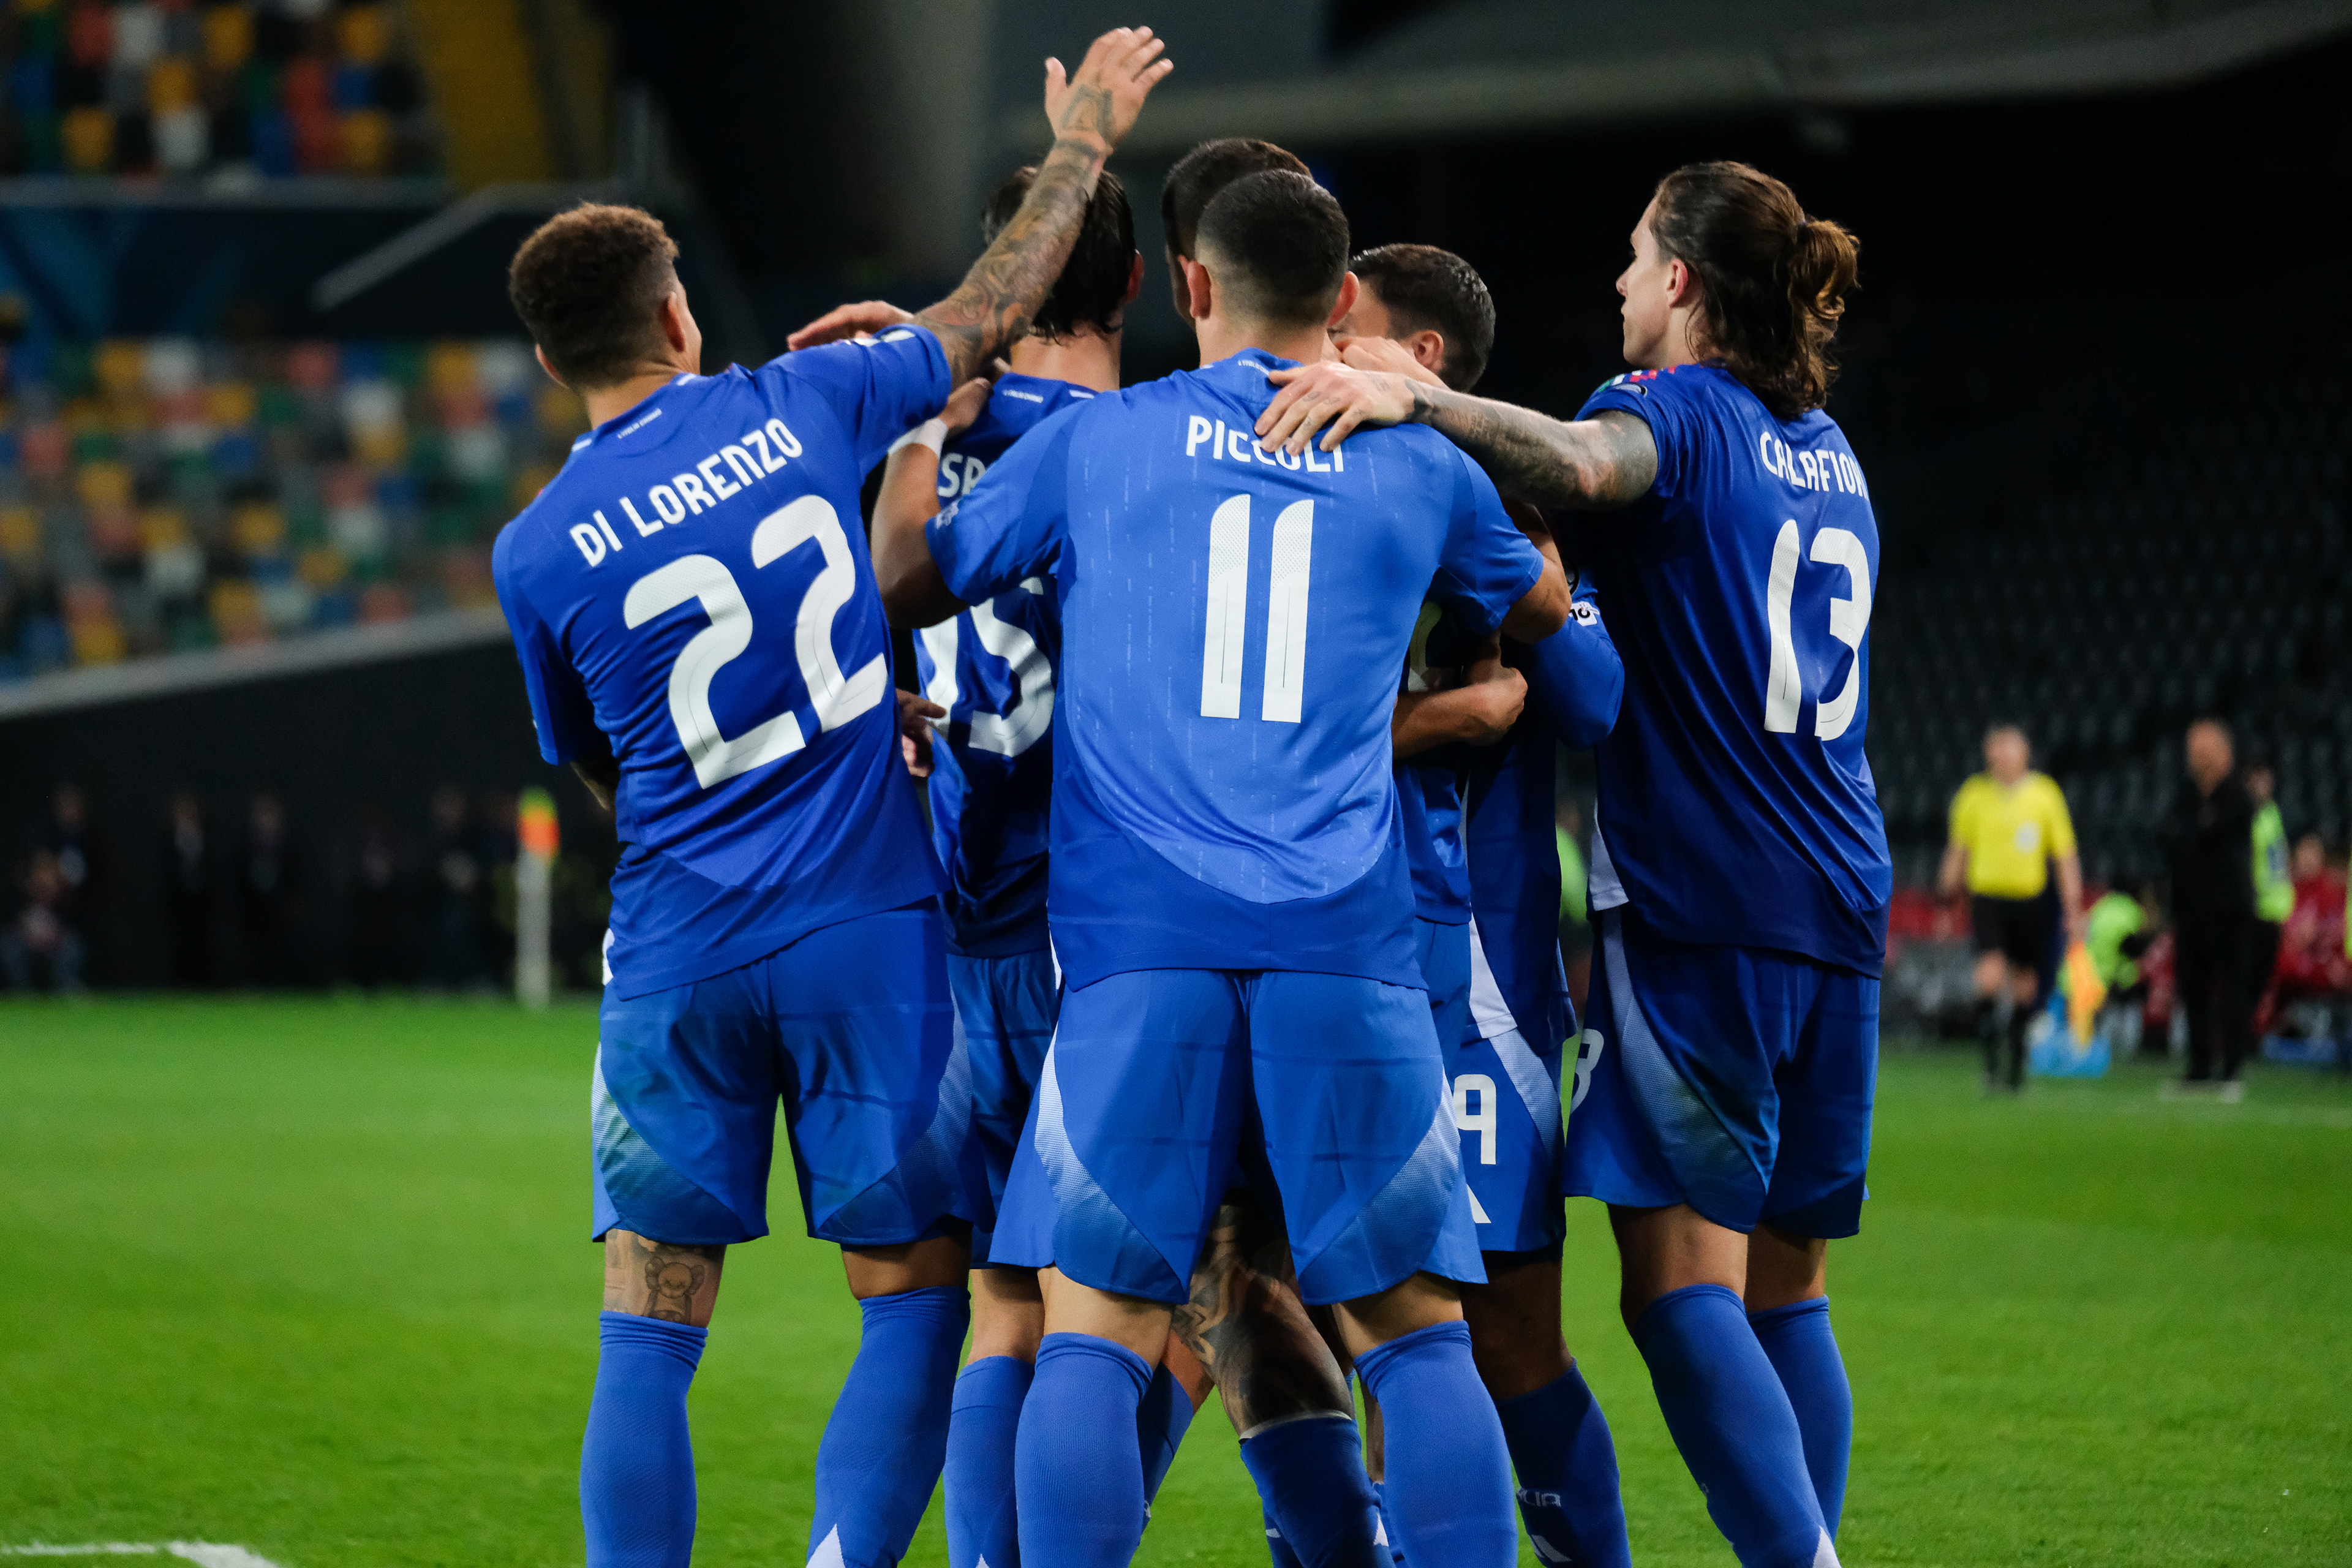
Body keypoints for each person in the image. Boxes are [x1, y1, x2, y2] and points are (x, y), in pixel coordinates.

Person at [488, 29, 1172, 1568]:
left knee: (649, 1327)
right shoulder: (805, 402)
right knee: (920, 1290)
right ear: (675, 311)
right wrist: (1082, 141)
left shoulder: (532, 550)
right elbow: (997, 307)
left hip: (675, 945)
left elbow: (597, 754)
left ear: (552, 361)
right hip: (867, 929)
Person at [874, 168, 1572, 1568]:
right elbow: (1545, 603)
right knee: (1415, 1336)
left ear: (1189, 286)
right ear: (1341, 303)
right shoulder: (1418, 463)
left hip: (1139, 956)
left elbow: (907, 578)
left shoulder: (1103, 443)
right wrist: (1419, 406)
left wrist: (911, 420)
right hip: (1348, 951)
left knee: (1096, 1330)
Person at [1257, 159, 1883, 1568]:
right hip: (1839, 894)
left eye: (1629, 256)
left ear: (1679, 282)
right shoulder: (1828, 447)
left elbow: (1592, 470)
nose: (1611, 283)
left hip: (1706, 895)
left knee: (1674, 1294)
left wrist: (1421, 404)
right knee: (1788, 1287)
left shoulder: (1671, 412)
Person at [1337, 241, 1635, 1568]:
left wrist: (1529, 580)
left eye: (1353, 331)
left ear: (1427, 361)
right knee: (1357, 1326)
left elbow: (1590, 701)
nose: (1325, 348)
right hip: (1327, 957)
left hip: (1484, 993)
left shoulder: (1500, 513)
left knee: (1505, 1332)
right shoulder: (1321, 486)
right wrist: (1436, 712)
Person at [1937, 725, 2084, 1093]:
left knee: (2025, 988)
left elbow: (2064, 856)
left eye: (2005, 751)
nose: (1998, 758)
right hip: (1987, 899)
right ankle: (1990, 1065)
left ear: (2023, 754)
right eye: (1993, 752)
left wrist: (2073, 908)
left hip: (2030, 902)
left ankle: (2016, 1070)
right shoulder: (1974, 795)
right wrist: (1945, 897)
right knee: (1988, 978)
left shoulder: (2044, 795)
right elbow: (1959, 850)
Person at [2158, 718, 2258, 1093]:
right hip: (2189, 909)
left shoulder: (2237, 797)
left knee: (2231, 989)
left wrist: (2190, 835)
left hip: (2229, 910)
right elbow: (2167, 835)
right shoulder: (2185, 793)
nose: (2195, 757)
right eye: (2192, 749)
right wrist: (2192, 834)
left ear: (2223, 753)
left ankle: (2232, 1067)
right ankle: (2199, 1065)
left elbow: (2201, 837)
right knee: (2192, 989)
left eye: (2202, 749)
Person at [2246, 757, 2291, 1005]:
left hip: (2275, 909)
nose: (2265, 783)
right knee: (2249, 980)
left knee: (2262, 980)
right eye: (2259, 778)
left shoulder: (2272, 812)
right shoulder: (2247, 815)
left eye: (2268, 778)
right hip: (2255, 908)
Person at [160, 791, 217, 989]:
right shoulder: (169, 841)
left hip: (201, 904)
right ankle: (180, 984)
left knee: (202, 945)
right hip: (178, 905)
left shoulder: (207, 840)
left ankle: (204, 985)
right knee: (180, 945)